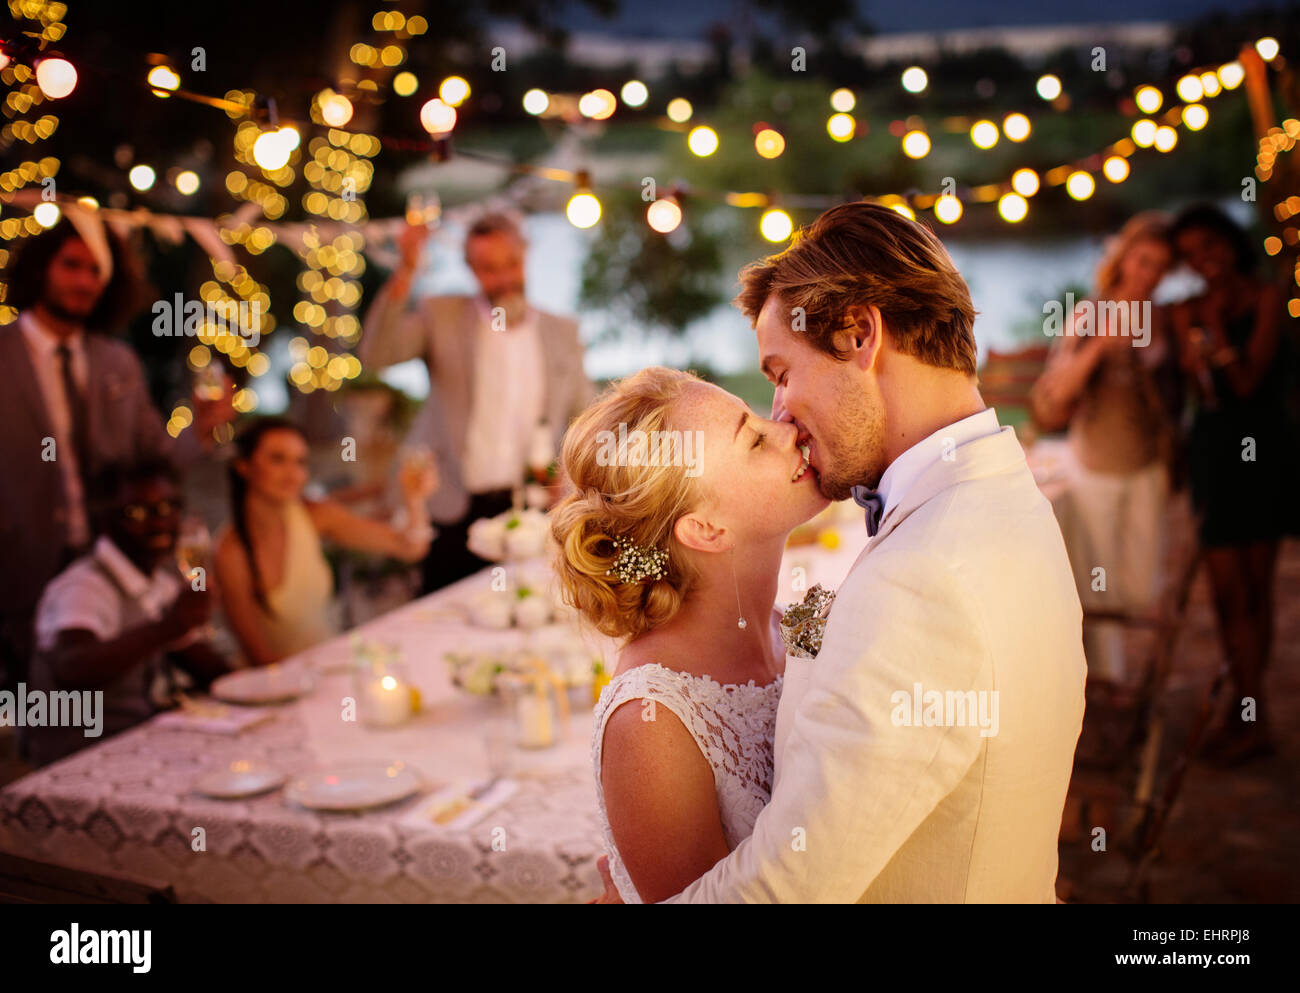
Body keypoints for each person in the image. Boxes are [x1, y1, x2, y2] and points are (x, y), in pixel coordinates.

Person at [570, 202, 1086, 904]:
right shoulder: (1007, 496)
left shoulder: (923, 575)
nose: (781, 411)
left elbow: (788, 888)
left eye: (782, 372)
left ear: (860, 336)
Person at [0, 218, 231, 708]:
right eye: (71, 266)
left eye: (96, 270)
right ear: (41, 268)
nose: (85, 281)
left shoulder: (116, 363)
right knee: (43, 717)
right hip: (22, 569)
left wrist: (202, 429)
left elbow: (156, 461)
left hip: (114, 565)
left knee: (118, 704)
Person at [360, 209, 596, 593]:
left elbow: (583, 416)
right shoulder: (442, 314)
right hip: (452, 504)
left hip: (534, 508)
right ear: (469, 269)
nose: (503, 278)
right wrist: (406, 270)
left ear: (526, 256)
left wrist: (570, 477)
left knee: (533, 614)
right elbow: (377, 355)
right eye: (488, 268)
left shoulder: (562, 331)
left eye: (512, 264)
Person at [1030, 212, 1177, 688]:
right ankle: (1106, 684)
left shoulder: (1165, 318)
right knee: (1098, 583)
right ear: (1123, 259)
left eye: (1160, 266)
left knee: (1139, 585)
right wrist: (1099, 348)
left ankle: (1121, 682)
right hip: (1094, 462)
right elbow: (1055, 393)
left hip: (1147, 464)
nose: (1148, 274)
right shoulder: (1090, 313)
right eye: (1142, 261)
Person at [1169, 203, 1293, 764]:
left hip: (1265, 450)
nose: (1203, 261)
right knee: (1225, 593)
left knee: (1257, 588)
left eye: (1209, 247)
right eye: (1191, 256)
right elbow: (1205, 392)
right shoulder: (1183, 310)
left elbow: (1246, 381)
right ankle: (1248, 710)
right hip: (1216, 453)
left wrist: (1215, 333)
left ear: (1229, 242)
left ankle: (1252, 712)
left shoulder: (1268, 298)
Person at [26, 460, 231, 766]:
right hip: (80, 760)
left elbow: (199, 662)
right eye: (137, 513)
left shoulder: (157, 581)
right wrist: (168, 627)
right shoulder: (84, 585)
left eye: (168, 508)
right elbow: (72, 666)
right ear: (106, 521)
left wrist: (261, 684)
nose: (159, 522)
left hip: (142, 742)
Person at [213, 417, 435, 665]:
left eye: (300, 462)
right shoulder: (230, 551)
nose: (293, 473)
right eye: (277, 459)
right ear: (244, 466)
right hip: (277, 682)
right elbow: (259, 658)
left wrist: (415, 499)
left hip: (329, 661)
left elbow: (409, 548)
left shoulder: (313, 514)